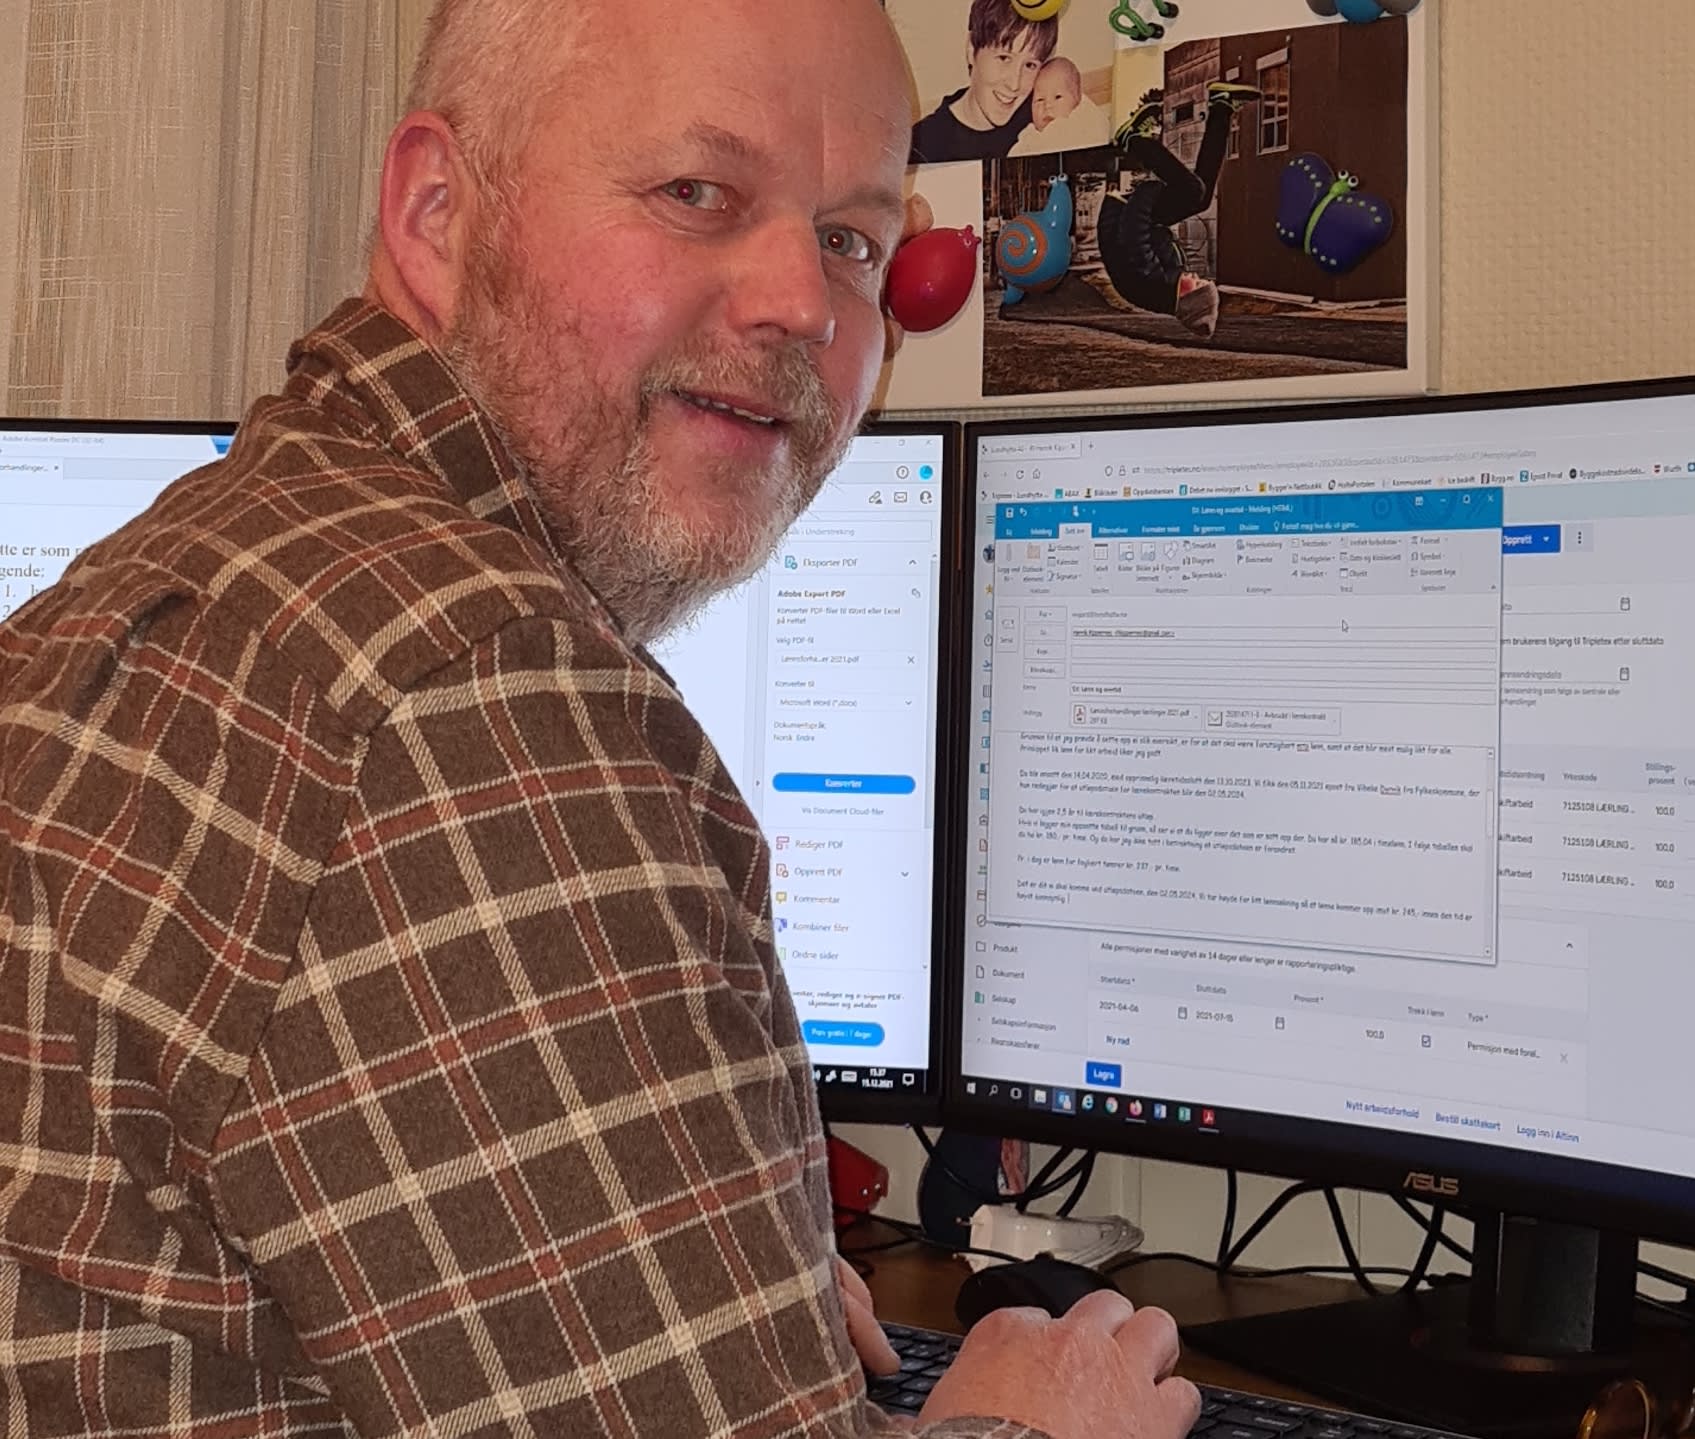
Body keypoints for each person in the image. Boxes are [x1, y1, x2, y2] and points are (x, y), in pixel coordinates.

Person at [0, 1, 1202, 1436]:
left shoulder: (204, 566)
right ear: (437, 211)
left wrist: (710, 1291)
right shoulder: (470, 693)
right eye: (697, 192)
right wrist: (1033, 1421)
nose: (807, 305)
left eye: (850, 240)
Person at [1097, 82, 1260, 338]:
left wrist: (1148, 191)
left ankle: (1134, 140)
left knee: (1192, 191)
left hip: (1122, 215)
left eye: (1197, 284)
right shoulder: (1169, 283)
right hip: (1141, 221)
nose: (1196, 275)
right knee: (1201, 199)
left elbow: (1131, 232)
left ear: (1186, 297)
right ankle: (1221, 107)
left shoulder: (1152, 282)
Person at [909, 0, 1057, 164]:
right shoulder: (923, 147)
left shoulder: (1039, 113)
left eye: (1030, 65)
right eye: (1003, 58)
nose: (1014, 84)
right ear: (971, 50)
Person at [1009, 57, 1112, 158]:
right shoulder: (1029, 137)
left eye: (1057, 97)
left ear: (1077, 100)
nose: (1047, 106)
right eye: (1040, 100)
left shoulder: (1081, 124)